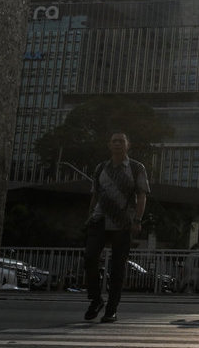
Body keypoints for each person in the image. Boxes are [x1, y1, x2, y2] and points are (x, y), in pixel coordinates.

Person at [83, 132, 150, 323]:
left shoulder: (136, 168)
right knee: (89, 257)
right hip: (99, 219)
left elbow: (142, 195)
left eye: (121, 141)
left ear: (128, 145)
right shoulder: (101, 168)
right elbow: (95, 194)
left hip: (123, 222)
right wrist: (89, 217)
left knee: (118, 266)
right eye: (114, 141)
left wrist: (137, 219)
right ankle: (96, 299)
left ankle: (111, 309)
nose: (117, 144)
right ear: (109, 145)